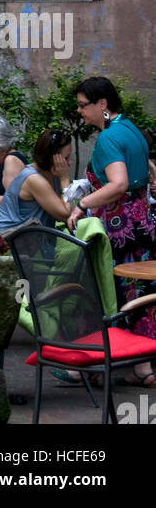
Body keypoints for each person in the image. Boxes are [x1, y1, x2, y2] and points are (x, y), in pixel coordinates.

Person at [67, 76, 156, 385]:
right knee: (140, 292)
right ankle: (143, 367)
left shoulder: (107, 138)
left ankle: (85, 365)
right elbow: (146, 172)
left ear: (102, 105)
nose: (79, 111)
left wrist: (82, 205)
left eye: (83, 105)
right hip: (142, 224)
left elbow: (117, 185)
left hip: (118, 229)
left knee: (97, 290)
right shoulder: (132, 130)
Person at [0, 130, 74, 232]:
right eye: (66, 158)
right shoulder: (34, 179)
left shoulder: (52, 173)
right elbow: (64, 215)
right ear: (51, 158)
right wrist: (64, 179)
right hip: (10, 241)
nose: (70, 162)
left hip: (31, 239)